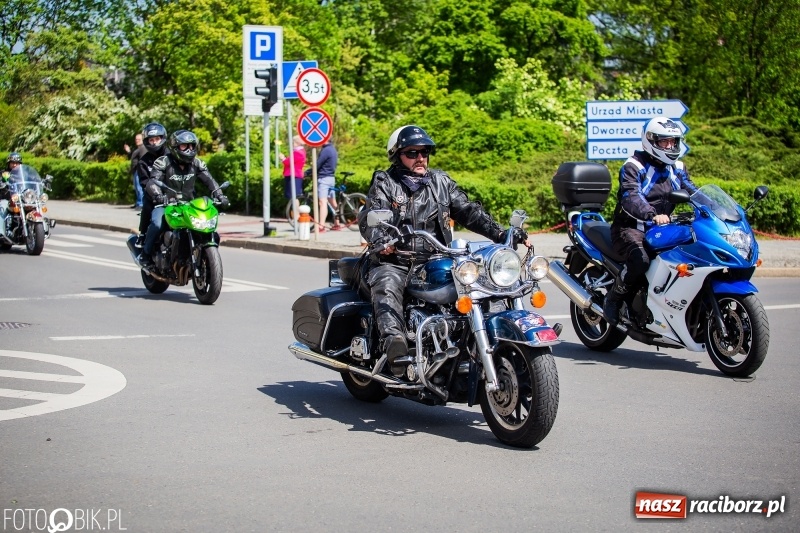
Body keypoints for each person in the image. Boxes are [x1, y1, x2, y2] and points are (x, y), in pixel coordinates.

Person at [358, 125, 528, 377]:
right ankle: (395, 346)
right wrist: (383, 240)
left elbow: (470, 212)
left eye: (424, 152)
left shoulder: (441, 182)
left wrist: (502, 234)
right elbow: (370, 217)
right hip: (396, 259)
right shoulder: (385, 183)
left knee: (479, 284)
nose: (420, 158)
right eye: (412, 153)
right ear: (397, 155)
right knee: (388, 284)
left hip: (436, 258)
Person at [603, 116, 698, 326]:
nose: (670, 146)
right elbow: (631, 196)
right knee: (641, 261)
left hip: (664, 227)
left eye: (673, 142)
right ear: (651, 141)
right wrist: (651, 214)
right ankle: (614, 297)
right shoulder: (634, 166)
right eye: (664, 142)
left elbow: (692, 190)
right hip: (630, 228)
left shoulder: (677, 167)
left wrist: (712, 206)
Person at [138, 130, 228, 268]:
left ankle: (203, 257)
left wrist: (219, 195)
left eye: (191, 146)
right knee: (156, 223)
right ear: (175, 147)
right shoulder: (163, 162)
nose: (189, 149)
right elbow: (152, 182)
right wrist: (159, 196)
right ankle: (145, 253)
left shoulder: (197, 163)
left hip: (189, 204)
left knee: (209, 230)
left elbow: (210, 180)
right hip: (167, 204)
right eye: (184, 146)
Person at [134, 122, 168, 248]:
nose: (154, 142)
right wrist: (156, 194)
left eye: (157, 139)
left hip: (175, 197)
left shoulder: (173, 156)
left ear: (163, 138)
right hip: (155, 198)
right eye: (151, 140)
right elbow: (144, 182)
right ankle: (143, 237)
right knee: (155, 220)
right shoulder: (144, 161)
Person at [315, 139, 340, 231]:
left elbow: (318, 164)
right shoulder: (332, 149)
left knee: (323, 202)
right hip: (331, 178)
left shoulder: (325, 150)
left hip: (324, 178)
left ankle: (321, 226)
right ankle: (337, 224)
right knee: (333, 202)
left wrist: (308, 172)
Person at [280, 135, 306, 219]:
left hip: (294, 175)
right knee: (294, 196)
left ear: (296, 143)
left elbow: (289, 162)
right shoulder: (298, 151)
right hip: (293, 175)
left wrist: (283, 158)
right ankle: (295, 214)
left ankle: (296, 214)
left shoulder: (298, 152)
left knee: (294, 196)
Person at [126, 133, 146, 210]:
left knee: (139, 187)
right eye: (136, 139)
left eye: (138, 139)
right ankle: (138, 202)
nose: (137, 141)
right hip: (135, 170)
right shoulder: (138, 149)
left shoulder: (143, 148)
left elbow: (142, 160)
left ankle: (141, 204)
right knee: (137, 188)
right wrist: (129, 152)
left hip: (139, 170)